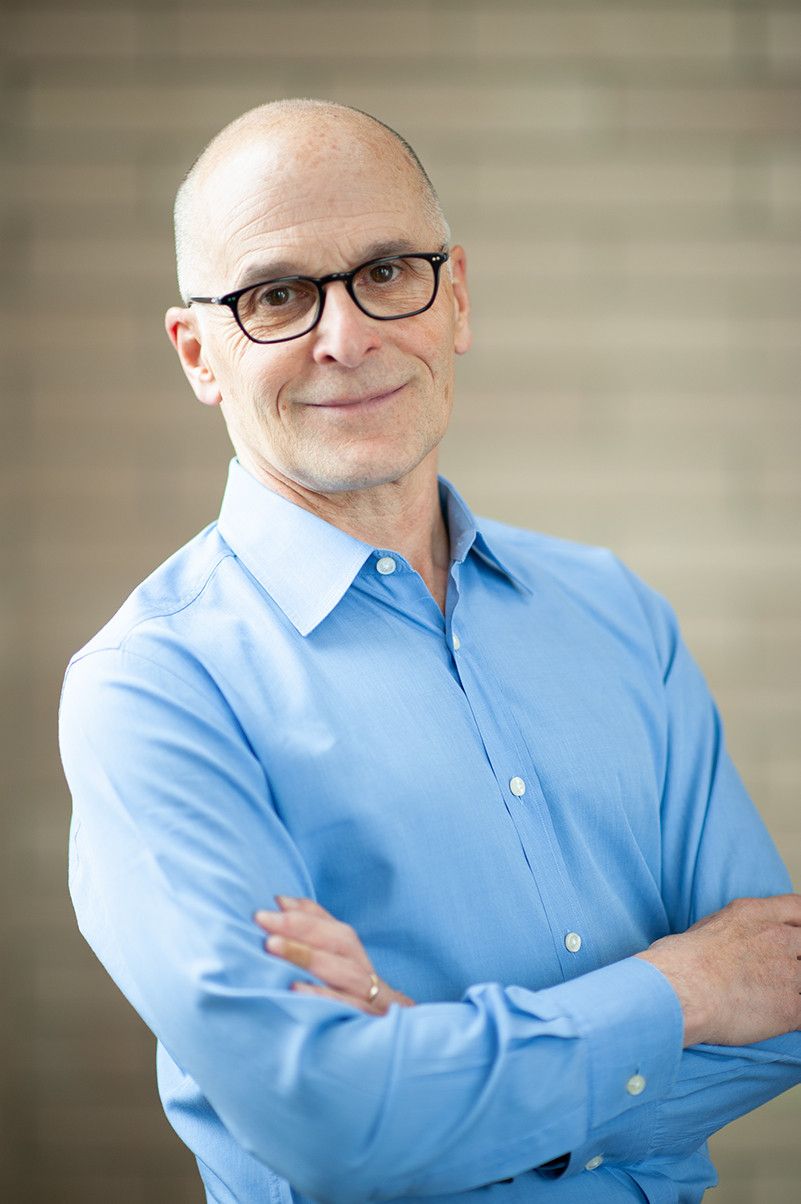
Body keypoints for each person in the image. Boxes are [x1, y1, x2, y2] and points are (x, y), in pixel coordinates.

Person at [59, 98, 801, 1204]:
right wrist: (677, 990)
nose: (346, 336)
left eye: (388, 273)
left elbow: (783, 1012)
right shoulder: (154, 689)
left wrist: (430, 1063)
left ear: (455, 297)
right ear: (198, 352)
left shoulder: (615, 614)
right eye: (276, 295)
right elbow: (336, 1127)